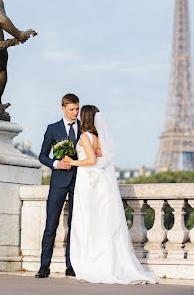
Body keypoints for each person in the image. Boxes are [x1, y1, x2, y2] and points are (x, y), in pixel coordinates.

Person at [64, 105, 159, 284]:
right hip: (99, 183)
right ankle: (108, 261)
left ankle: (91, 261)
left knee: (87, 221)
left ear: (84, 117)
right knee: (101, 223)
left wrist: (72, 161)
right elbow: (100, 158)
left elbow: (91, 160)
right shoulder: (99, 138)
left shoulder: (85, 136)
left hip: (87, 182)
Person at [36, 93, 81, 278]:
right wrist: (55, 163)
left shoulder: (84, 128)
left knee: (75, 225)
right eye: (71, 109)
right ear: (63, 108)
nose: (75, 113)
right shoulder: (52, 128)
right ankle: (44, 266)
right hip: (58, 182)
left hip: (79, 181)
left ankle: (71, 265)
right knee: (51, 225)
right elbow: (42, 156)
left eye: (77, 109)